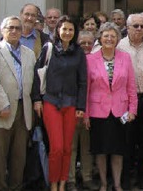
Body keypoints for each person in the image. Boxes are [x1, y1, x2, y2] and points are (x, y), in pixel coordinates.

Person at [32, 15, 87, 191]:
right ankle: (53, 184)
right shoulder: (48, 48)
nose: (67, 32)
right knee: (56, 147)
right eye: (64, 29)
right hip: (51, 102)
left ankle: (63, 183)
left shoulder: (78, 52)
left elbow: (83, 81)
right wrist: (36, 100)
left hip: (71, 104)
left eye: (71, 29)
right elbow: (36, 74)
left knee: (66, 148)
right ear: (58, 30)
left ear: (75, 32)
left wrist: (81, 106)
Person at [0, 15, 36, 191]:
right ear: (2, 30)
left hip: (24, 109)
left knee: (19, 155)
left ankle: (16, 186)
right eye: (10, 27)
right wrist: (3, 104)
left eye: (17, 28)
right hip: (1, 109)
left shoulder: (29, 53)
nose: (14, 31)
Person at [84, 22, 137, 191]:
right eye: (106, 36)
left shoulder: (125, 57)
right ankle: (104, 184)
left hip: (120, 111)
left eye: (113, 36)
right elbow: (86, 89)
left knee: (117, 151)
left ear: (117, 39)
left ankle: (117, 184)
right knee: (100, 151)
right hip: (97, 112)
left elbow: (131, 87)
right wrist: (85, 114)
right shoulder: (90, 59)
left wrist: (133, 110)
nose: (109, 39)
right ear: (100, 38)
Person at [115, 13, 143, 189]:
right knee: (126, 140)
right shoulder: (119, 46)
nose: (140, 29)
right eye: (136, 26)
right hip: (125, 100)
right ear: (128, 27)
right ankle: (124, 178)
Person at [65, 30, 98, 191]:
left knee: (87, 146)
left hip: (90, 110)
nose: (86, 46)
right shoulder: (70, 58)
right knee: (71, 146)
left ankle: (87, 177)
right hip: (71, 107)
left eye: (89, 43)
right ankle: (70, 179)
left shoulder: (97, 60)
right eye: (82, 43)